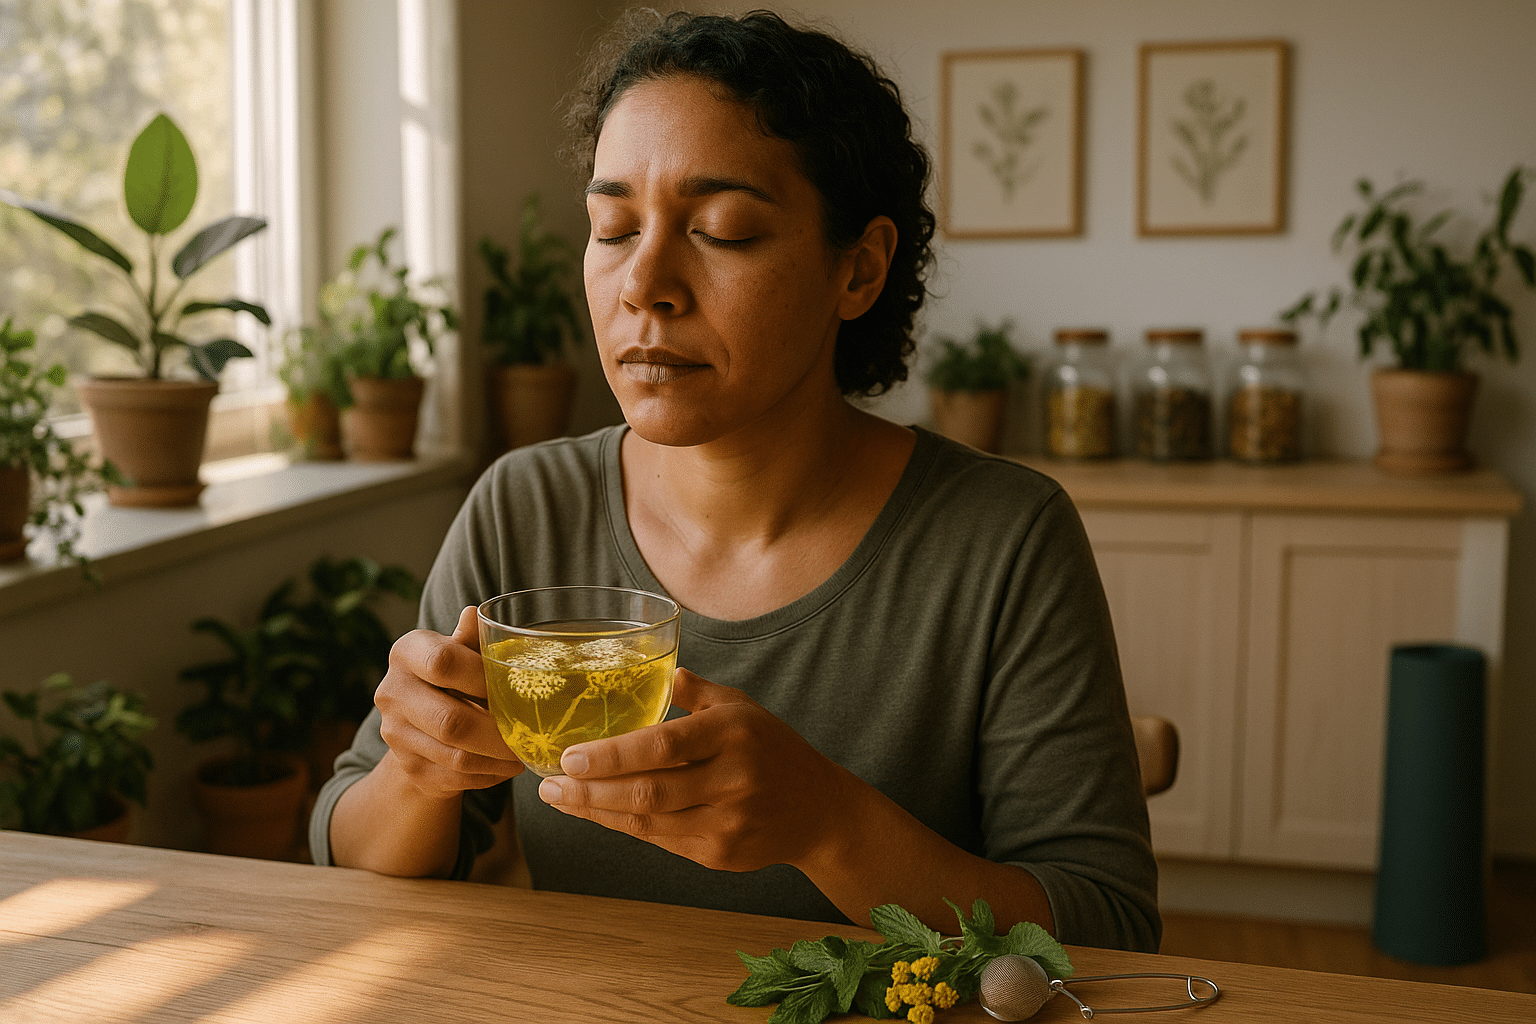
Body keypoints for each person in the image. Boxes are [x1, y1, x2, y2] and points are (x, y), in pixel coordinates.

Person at [311, 8, 1159, 952]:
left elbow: (1108, 932)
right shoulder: (525, 507)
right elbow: (352, 852)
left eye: (723, 230)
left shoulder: (1003, 538)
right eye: (613, 227)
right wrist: (416, 774)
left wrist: (828, 824)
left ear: (860, 268)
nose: (645, 284)